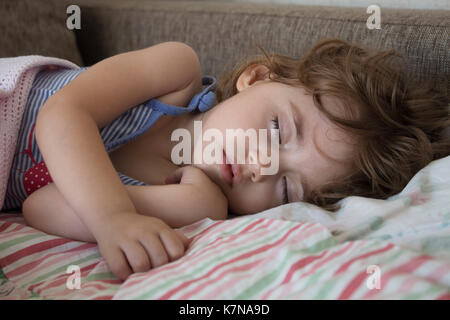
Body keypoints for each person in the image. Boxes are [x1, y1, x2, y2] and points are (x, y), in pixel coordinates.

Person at [3, 39, 449, 280]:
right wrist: (112, 216)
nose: (262, 166)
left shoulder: (193, 202)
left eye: (286, 188)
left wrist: (191, 208)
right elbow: (61, 115)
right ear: (256, 78)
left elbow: (41, 204)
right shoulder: (174, 75)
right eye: (277, 130)